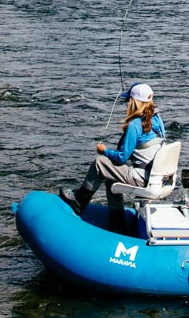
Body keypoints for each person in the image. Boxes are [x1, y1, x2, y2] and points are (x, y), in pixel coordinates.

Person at [61, 82, 167, 217]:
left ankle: (79, 200)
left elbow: (123, 157)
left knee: (100, 163)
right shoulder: (157, 120)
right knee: (111, 173)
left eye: (128, 100)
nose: (126, 104)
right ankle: (117, 220)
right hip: (158, 176)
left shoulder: (135, 125)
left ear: (133, 102)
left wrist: (103, 150)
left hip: (144, 178)